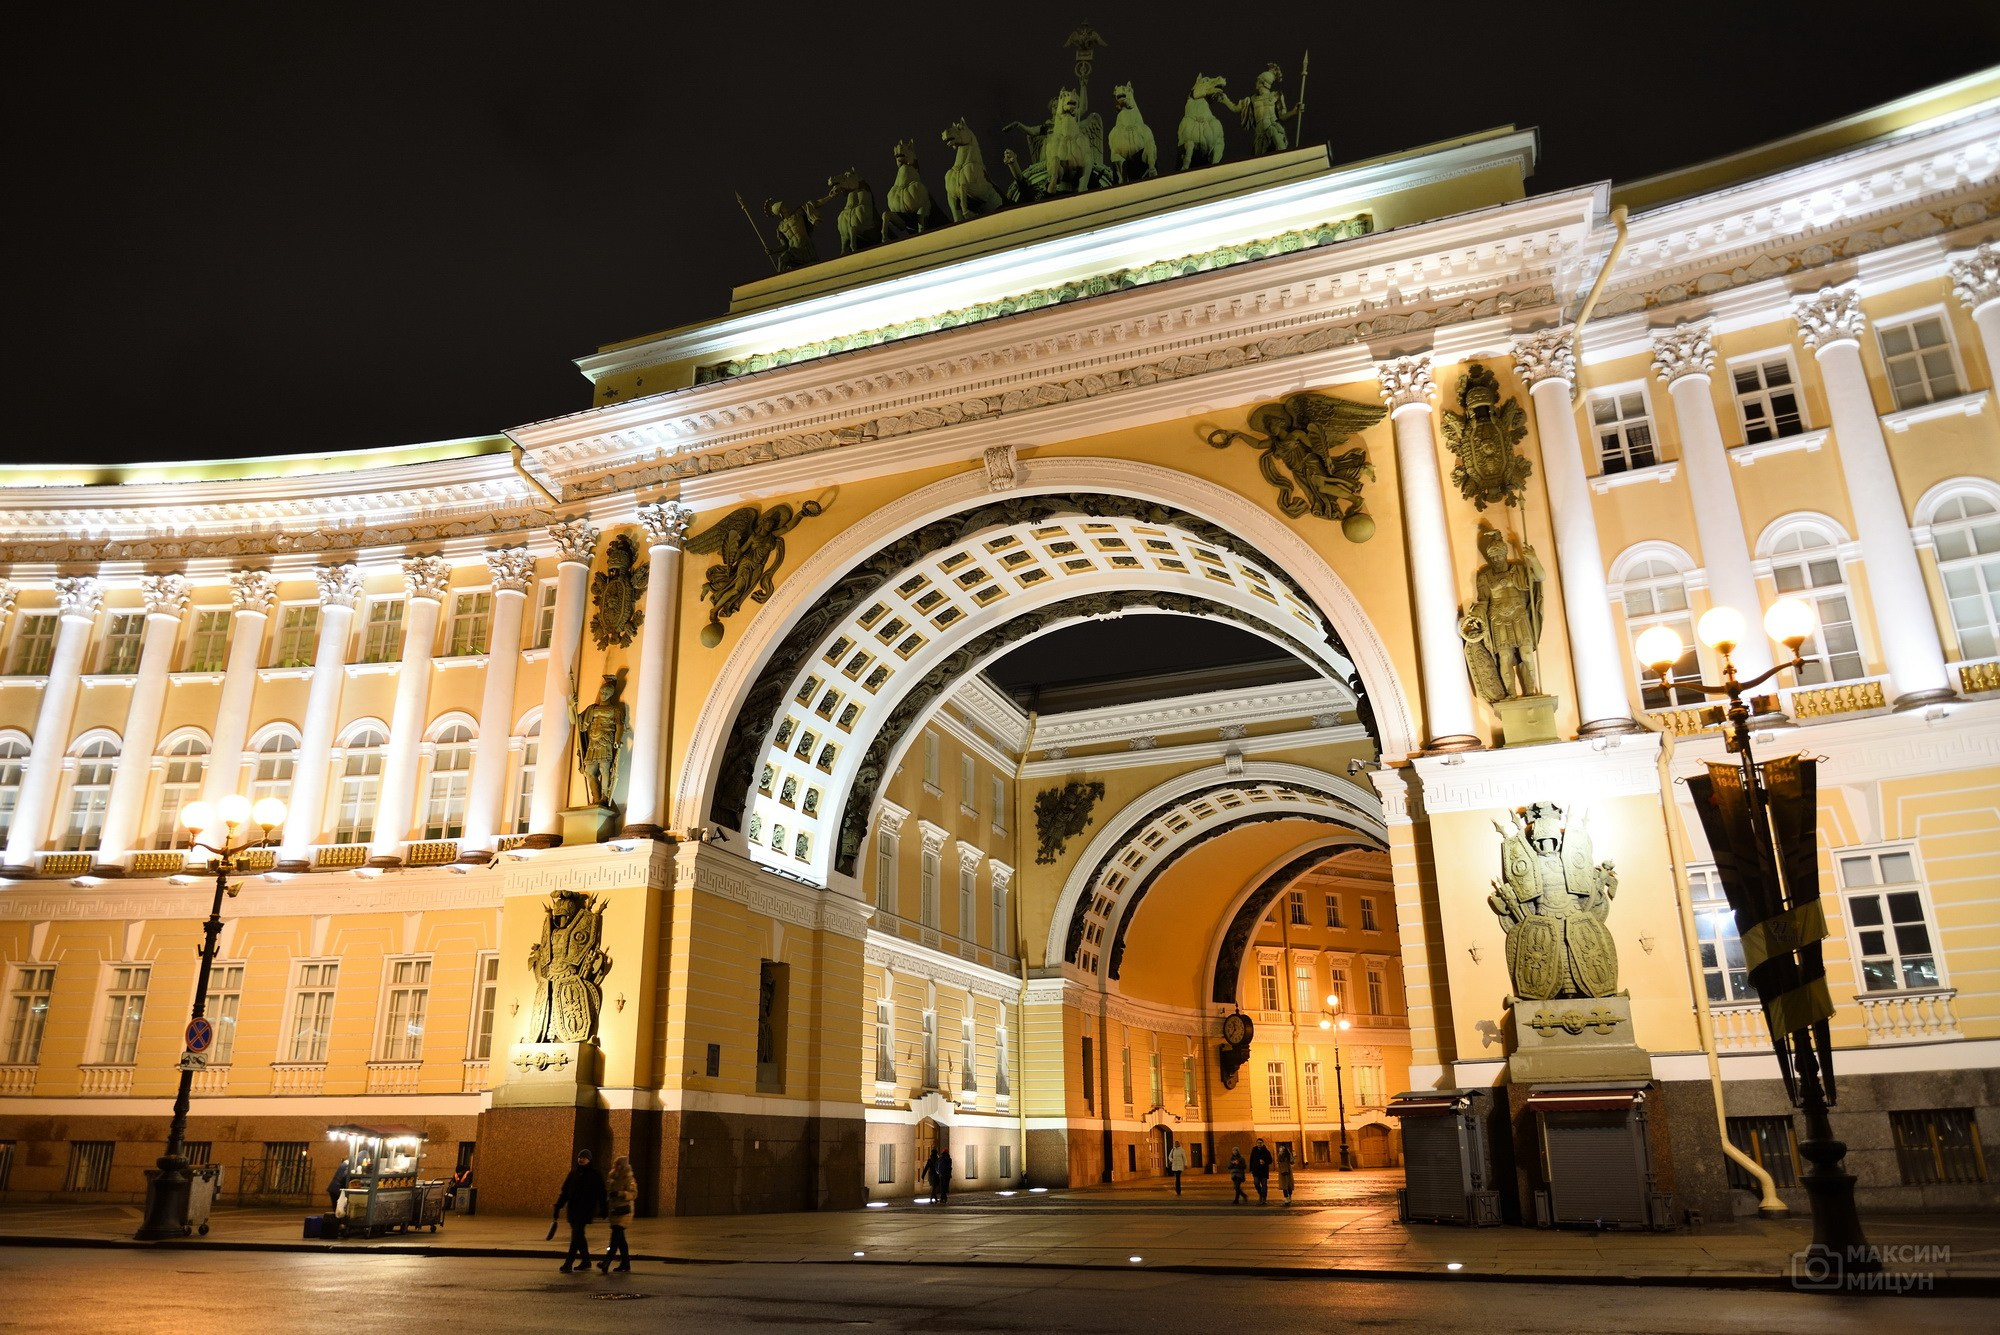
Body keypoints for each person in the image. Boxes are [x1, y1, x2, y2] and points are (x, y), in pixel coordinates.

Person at [553, 1148, 608, 1275]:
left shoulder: (594, 1174)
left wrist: (604, 1208)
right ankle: (586, 1260)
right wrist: (558, 1206)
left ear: (589, 1159)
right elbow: (565, 1192)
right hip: (573, 1210)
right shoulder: (573, 1174)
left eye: (584, 1157)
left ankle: (568, 1263)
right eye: (580, 1157)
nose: (581, 1159)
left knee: (576, 1235)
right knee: (579, 1235)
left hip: (585, 1209)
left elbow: (601, 1193)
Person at [600, 1154, 635, 1273]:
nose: (616, 1166)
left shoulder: (628, 1178)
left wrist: (620, 1193)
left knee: (615, 1238)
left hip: (624, 1211)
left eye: (618, 1165)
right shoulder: (612, 1177)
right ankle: (625, 1263)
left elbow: (633, 1194)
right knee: (621, 1240)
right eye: (616, 1164)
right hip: (614, 1210)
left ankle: (607, 1261)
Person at [1248, 1138, 1274, 1204]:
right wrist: (1251, 1169)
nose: (1259, 1144)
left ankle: (1264, 1198)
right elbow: (1251, 1160)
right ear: (1256, 1143)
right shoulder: (1254, 1151)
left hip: (1264, 1171)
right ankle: (1261, 1194)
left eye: (1260, 1143)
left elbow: (1270, 1160)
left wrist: (1264, 1162)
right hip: (1256, 1171)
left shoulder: (1266, 1151)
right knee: (1256, 1184)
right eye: (1258, 1143)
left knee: (1264, 1185)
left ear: (1263, 1143)